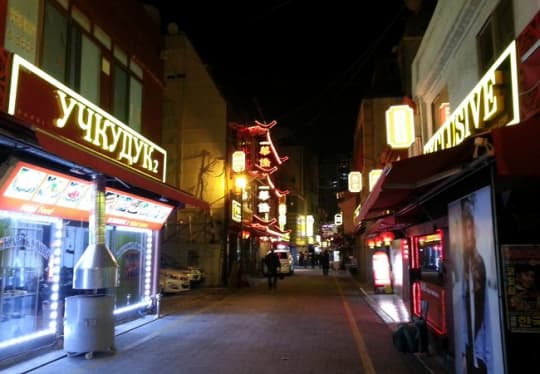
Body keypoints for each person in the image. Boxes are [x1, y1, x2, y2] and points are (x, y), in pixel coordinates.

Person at [460, 196, 488, 374]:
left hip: (480, 353)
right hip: (471, 350)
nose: (467, 234)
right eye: (464, 228)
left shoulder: (480, 263)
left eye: (469, 228)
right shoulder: (464, 263)